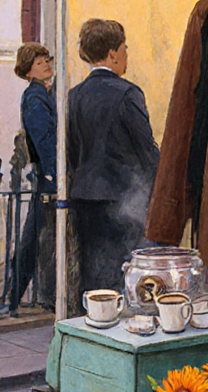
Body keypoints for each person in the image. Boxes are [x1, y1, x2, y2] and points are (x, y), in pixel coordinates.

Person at [68, 19, 160, 312]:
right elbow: (146, 150)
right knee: (126, 273)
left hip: (84, 197)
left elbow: (70, 152)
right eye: (124, 49)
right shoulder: (127, 93)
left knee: (93, 274)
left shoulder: (74, 95)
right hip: (123, 198)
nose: (126, 55)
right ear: (113, 53)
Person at [0, 43, 58, 317]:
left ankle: (14, 297)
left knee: (34, 239)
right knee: (33, 240)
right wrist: (52, 173)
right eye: (39, 61)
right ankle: (15, 298)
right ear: (28, 70)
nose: (46, 64)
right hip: (47, 180)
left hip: (45, 179)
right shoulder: (35, 96)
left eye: (46, 59)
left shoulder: (45, 92)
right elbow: (44, 140)